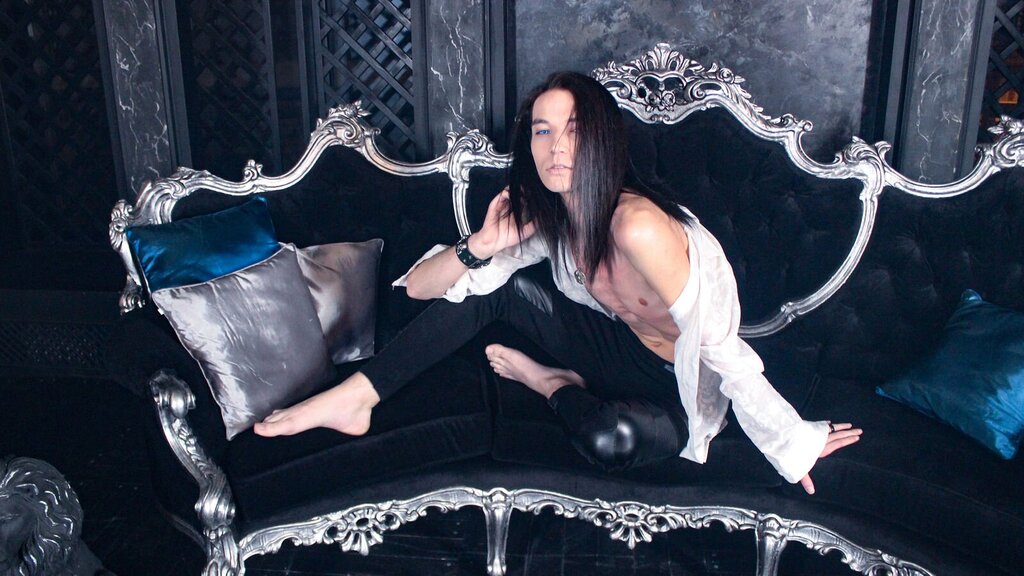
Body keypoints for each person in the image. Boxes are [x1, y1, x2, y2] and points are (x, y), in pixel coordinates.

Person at [255, 71, 861, 493]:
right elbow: (419, 289)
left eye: (573, 128)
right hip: (615, 352)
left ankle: (551, 384)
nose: (556, 146)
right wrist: (481, 245)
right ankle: (357, 397)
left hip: (676, 387)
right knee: (495, 285)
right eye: (542, 130)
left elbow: (719, 347)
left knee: (610, 441)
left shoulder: (638, 226)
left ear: (603, 138)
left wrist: (789, 442)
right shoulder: (550, 218)